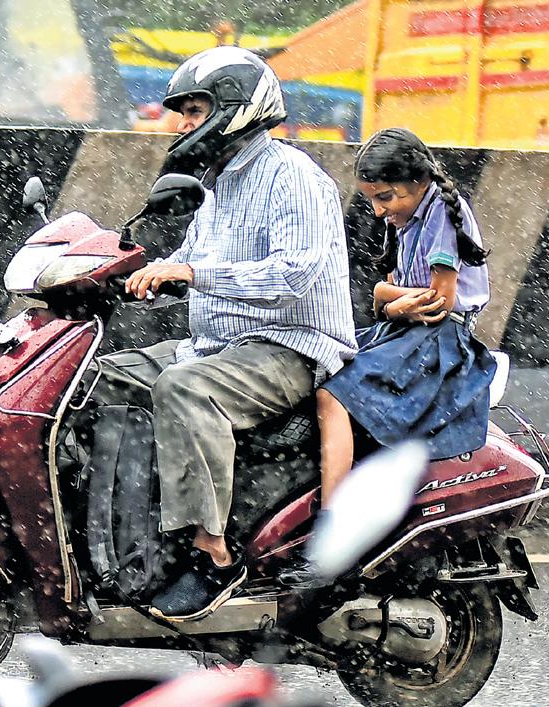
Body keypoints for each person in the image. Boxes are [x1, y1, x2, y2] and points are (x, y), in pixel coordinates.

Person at [92, 46, 356, 622]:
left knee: (185, 389)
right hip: (215, 346)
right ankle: (128, 538)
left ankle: (212, 555)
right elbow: (191, 258)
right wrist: (137, 273)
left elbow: (295, 275)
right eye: (182, 111)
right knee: (97, 382)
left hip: (288, 345)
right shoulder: (217, 185)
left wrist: (191, 273)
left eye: (195, 108)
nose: (185, 123)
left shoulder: (293, 178)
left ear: (236, 105)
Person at [279, 127, 496, 587]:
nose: (379, 210)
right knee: (320, 359)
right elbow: (389, 293)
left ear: (418, 183)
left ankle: (332, 535)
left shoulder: (439, 213)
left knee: (332, 396)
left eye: (386, 197)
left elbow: (437, 299)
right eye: (373, 200)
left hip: (437, 343)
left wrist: (388, 299)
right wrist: (389, 299)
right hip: (405, 331)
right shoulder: (409, 218)